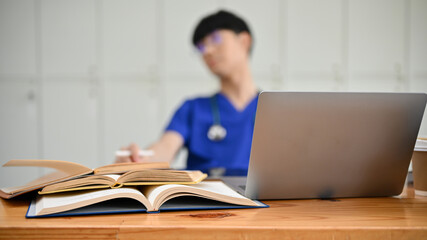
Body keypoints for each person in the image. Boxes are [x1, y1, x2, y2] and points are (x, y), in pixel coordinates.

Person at [116, 10, 258, 176]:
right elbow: (165, 148)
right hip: (207, 200)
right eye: (201, 46)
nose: (207, 51)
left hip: (268, 201)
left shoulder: (276, 109)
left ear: (244, 41)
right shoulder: (192, 109)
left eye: (215, 39)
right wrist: (138, 160)